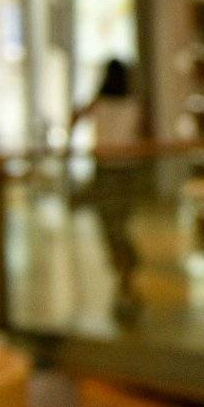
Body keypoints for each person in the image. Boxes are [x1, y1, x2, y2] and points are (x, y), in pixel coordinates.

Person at [71, 59, 146, 326]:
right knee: (115, 226)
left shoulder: (102, 104)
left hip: (111, 172)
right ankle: (126, 275)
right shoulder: (131, 105)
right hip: (120, 173)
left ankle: (126, 275)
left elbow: (75, 118)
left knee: (113, 227)